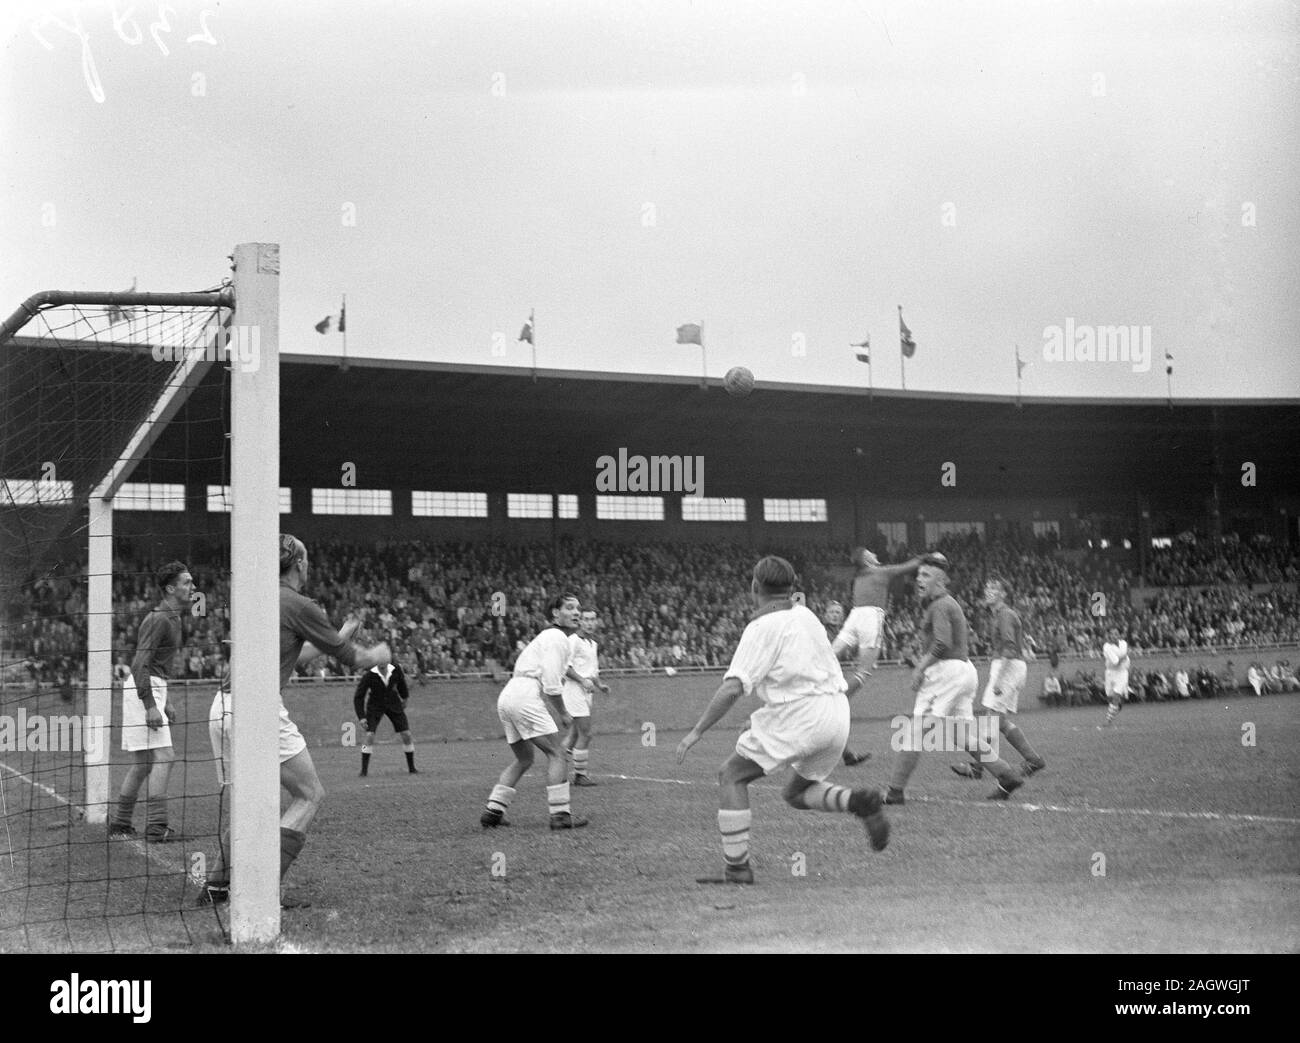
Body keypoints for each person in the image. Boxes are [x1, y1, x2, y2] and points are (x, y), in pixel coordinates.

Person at [200, 536, 390, 907]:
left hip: (223, 707)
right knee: (310, 794)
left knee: (248, 804)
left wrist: (339, 636)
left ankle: (216, 889)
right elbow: (352, 658)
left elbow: (297, 655)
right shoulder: (301, 604)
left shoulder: (259, 596)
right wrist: (376, 654)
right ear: (300, 564)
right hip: (257, 710)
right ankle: (261, 891)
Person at [676, 556, 889, 885]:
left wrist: (696, 731)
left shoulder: (760, 627)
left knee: (731, 775)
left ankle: (737, 869)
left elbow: (733, 687)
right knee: (795, 793)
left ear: (754, 587)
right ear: (793, 589)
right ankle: (858, 803)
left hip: (800, 715)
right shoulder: (807, 616)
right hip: (836, 713)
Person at [882, 553, 1025, 804]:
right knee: (961, 735)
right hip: (962, 671)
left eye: (925, 575)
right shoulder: (944, 604)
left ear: (941, 581)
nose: (919, 579)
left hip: (947, 672)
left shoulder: (940, 605)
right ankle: (1007, 775)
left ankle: (894, 792)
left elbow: (941, 642)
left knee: (915, 731)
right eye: (918, 574)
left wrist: (920, 668)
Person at [480, 593, 588, 831]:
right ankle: (560, 815)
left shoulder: (549, 637)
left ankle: (493, 811)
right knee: (558, 754)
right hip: (525, 694)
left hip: (509, 695)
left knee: (525, 758)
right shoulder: (556, 637)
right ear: (555, 613)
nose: (577, 613)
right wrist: (563, 713)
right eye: (570, 608)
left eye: (578, 608)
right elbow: (551, 682)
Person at [109, 562, 192, 842]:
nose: (193, 587)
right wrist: (150, 705)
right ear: (171, 588)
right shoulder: (159, 619)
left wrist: (164, 701)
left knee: (143, 763)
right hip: (143, 689)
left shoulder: (174, 618)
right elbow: (139, 663)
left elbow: (156, 666)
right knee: (165, 757)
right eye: (187, 582)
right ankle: (157, 826)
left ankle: (120, 823)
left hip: (151, 688)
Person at [830, 548, 923, 766]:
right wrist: (928, 558)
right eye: (871, 553)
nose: (875, 554)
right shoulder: (880, 572)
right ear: (867, 559)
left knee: (830, 654)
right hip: (871, 616)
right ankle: (839, 699)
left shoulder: (859, 577)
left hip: (854, 615)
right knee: (864, 670)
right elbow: (908, 566)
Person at [950, 577, 1045, 781]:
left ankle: (977, 768)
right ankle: (1033, 759)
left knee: (991, 721)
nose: (987, 591)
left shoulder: (1004, 615)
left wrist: (1000, 679)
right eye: (986, 587)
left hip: (1007, 667)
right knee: (999, 722)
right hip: (1011, 666)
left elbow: (1010, 648)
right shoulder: (1001, 615)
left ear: (1003, 594)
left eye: (993, 588)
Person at [563, 608, 610, 787]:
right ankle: (580, 775)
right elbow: (566, 668)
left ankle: (557, 764)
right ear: (580, 622)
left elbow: (593, 671)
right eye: (586, 619)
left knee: (574, 734)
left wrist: (600, 685)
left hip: (587, 691)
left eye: (593, 619)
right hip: (574, 690)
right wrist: (582, 681)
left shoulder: (593, 643)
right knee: (586, 733)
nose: (590, 623)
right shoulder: (572, 641)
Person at [354, 657, 417, 776]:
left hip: (393, 703)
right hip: (375, 706)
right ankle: (363, 771)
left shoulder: (396, 669)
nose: (381, 662)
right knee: (369, 736)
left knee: (407, 734)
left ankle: (412, 768)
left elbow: (401, 684)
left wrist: (405, 698)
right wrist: (361, 717)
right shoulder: (369, 675)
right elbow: (358, 697)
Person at [1099, 627, 1131, 727]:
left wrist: (1122, 658)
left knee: (1116, 695)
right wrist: (1124, 657)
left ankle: (1108, 720)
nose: (1114, 636)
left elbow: (1120, 659)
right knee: (1109, 697)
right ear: (1109, 635)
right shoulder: (1106, 647)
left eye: (1116, 633)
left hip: (1122, 673)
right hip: (1110, 673)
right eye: (1112, 634)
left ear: (1119, 635)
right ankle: (1117, 705)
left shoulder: (1123, 643)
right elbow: (1115, 662)